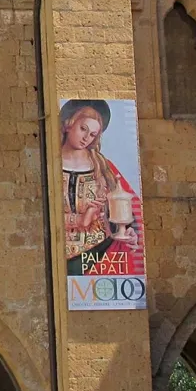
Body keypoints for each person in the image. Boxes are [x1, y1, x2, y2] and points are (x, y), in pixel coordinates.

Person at [59, 100, 144, 277]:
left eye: (92, 134)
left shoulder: (103, 166)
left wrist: (129, 232)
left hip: (101, 253)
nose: (86, 138)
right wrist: (80, 219)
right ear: (68, 124)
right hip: (58, 254)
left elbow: (126, 209)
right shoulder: (50, 166)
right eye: (83, 129)